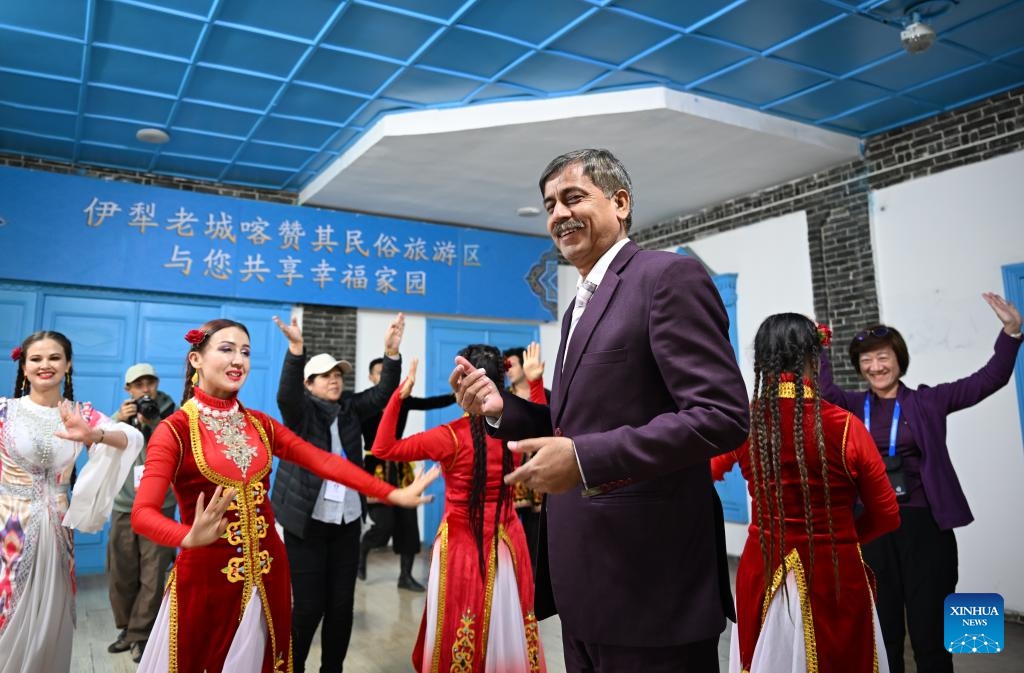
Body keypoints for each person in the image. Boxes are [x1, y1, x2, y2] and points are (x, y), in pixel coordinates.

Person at [452, 148, 750, 673]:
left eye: (573, 198)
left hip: (649, 583)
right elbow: (576, 427)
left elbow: (721, 415)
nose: (558, 215)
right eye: (549, 205)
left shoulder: (667, 279)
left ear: (620, 202)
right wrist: (504, 410)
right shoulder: (578, 306)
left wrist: (587, 460)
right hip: (585, 580)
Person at [131, 319, 438, 673]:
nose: (238, 361)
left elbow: (324, 462)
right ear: (196, 359)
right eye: (226, 349)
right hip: (207, 576)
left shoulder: (260, 424)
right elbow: (143, 513)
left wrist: (391, 493)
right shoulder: (175, 430)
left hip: (270, 570)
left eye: (245, 352)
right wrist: (186, 535)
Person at [817, 292, 1023, 673]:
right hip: (871, 528)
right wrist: (820, 348)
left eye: (883, 357)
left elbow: (987, 380)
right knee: (884, 629)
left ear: (898, 361)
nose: (876, 366)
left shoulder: (928, 402)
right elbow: (822, 393)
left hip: (923, 525)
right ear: (860, 368)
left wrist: (1011, 332)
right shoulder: (850, 406)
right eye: (867, 361)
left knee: (932, 630)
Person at [710, 314, 900, 673]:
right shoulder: (847, 428)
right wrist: (843, 538)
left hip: (763, 568)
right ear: (816, 357)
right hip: (834, 571)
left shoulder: (744, 424)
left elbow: (705, 474)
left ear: (762, 362)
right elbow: (888, 513)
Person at [373, 344, 546, 673]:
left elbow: (383, 447)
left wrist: (398, 398)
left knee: (459, 623)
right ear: (500, 380)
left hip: (461, 548)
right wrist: (535, 383)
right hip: (509, 540)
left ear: (461, 385)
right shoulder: (517, 428)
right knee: (507, 625)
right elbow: (546, 431)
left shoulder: (447, 437)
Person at [269, 311, 412, 672]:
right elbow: (286, 395)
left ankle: (331, 669)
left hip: (347, 521)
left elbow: (382, 394)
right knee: (307, 608)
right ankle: (292, 667)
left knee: (340, 608)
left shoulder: (349, 407)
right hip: (308, 524)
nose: (334, 381)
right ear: (309, 383)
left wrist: (391, 353)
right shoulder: (299, 415)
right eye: (324, 376)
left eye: (337, 375)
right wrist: (296, 350)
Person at [0, 330, 143, 673]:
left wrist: (94, 435)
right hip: (9, 527)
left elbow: (132, 437)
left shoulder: (81, 413)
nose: (44, 365)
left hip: (58, 530)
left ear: (68, 365)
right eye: (35, 359)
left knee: (52, 619)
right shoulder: (5, 411)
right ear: (24, 366)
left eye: (54, 358)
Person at [359, 356, 455, 590]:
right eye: (379, 373)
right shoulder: (363, 403)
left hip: (400, 466)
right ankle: (361, 552)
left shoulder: (403, 400)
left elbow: (430, 403)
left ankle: (405, 576)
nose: (384, 376)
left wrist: (457, 394)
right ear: (371, 377)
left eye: (387, 372)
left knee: (408, 524)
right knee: (383, 526)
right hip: (374, 467)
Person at [106, 362, 178, 664]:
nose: (145, 389)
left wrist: (154, 422)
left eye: (149, 383)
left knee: (152, 574)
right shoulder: (119, 417)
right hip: (125, 504)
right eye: (138, 385)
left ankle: (141, 634)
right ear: (128, 389)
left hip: (160, 506)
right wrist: (117, 420)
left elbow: (179, 444)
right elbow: (97, 447)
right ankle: (127, 628)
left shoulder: (172, 412)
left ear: (157, 383)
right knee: (121, 573)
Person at [503, 343, 548, 566]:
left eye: (512, 365)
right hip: (510, 470)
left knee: (536, 527)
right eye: (506, 366)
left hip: (539, 468)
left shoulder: (545, 395)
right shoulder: (504, 399)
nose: (508, 370)